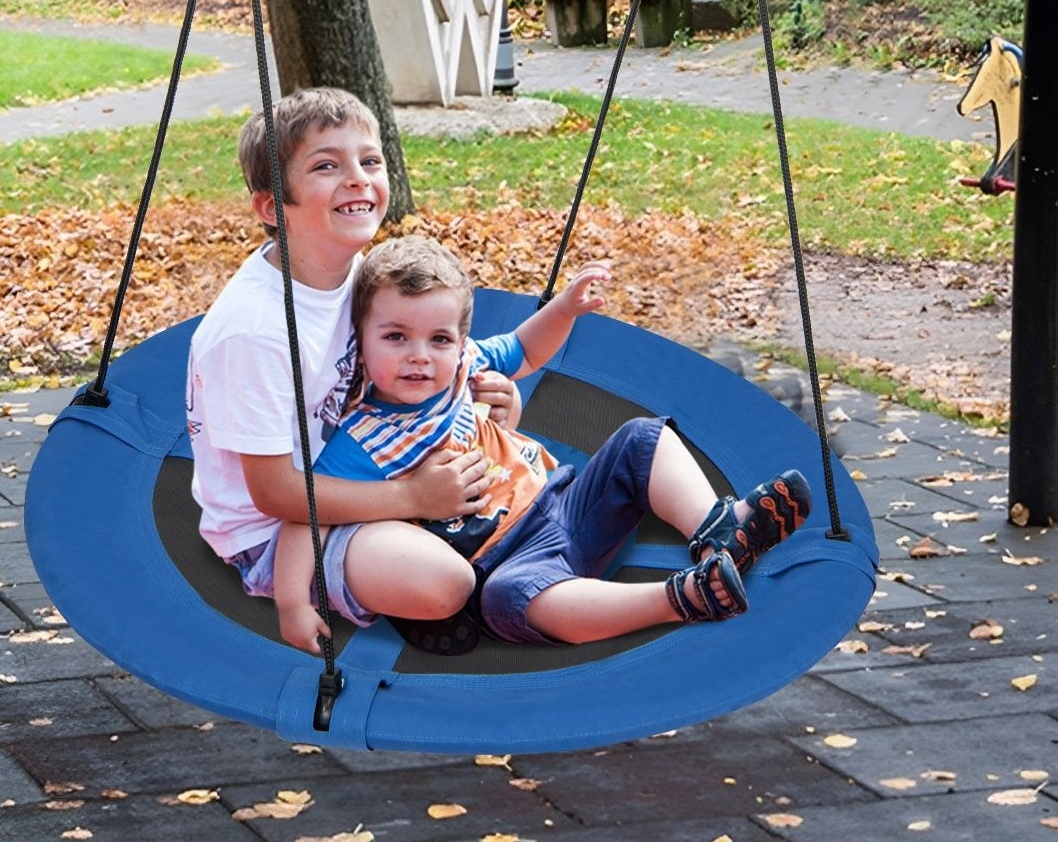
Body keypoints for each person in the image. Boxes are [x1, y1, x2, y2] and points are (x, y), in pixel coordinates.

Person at [274, 234, 811, 653]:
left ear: (460, 342)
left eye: (438, 339)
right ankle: (680, 598)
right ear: (359, 344)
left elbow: (526, 349)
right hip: (510, 562)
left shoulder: (465, 367)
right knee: (510, 601)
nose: (420, 355)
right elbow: (308, 514)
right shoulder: (363, 438)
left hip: (569, 501)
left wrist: (565, 309)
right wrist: (292, 603)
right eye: (395, 337)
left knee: (641, 437)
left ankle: (720, 528)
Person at [186, 88, 522, 633]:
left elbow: (413, 362)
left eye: (369, 161)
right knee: (444, 583)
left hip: (367, 464)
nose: (358, 179)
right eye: (327, 166)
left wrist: (480, 396)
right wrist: (411, 496)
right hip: (278, 530)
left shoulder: (353, 269)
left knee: (528, 488)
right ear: (274, 207)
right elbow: (276, 494)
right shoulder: (255, 333)